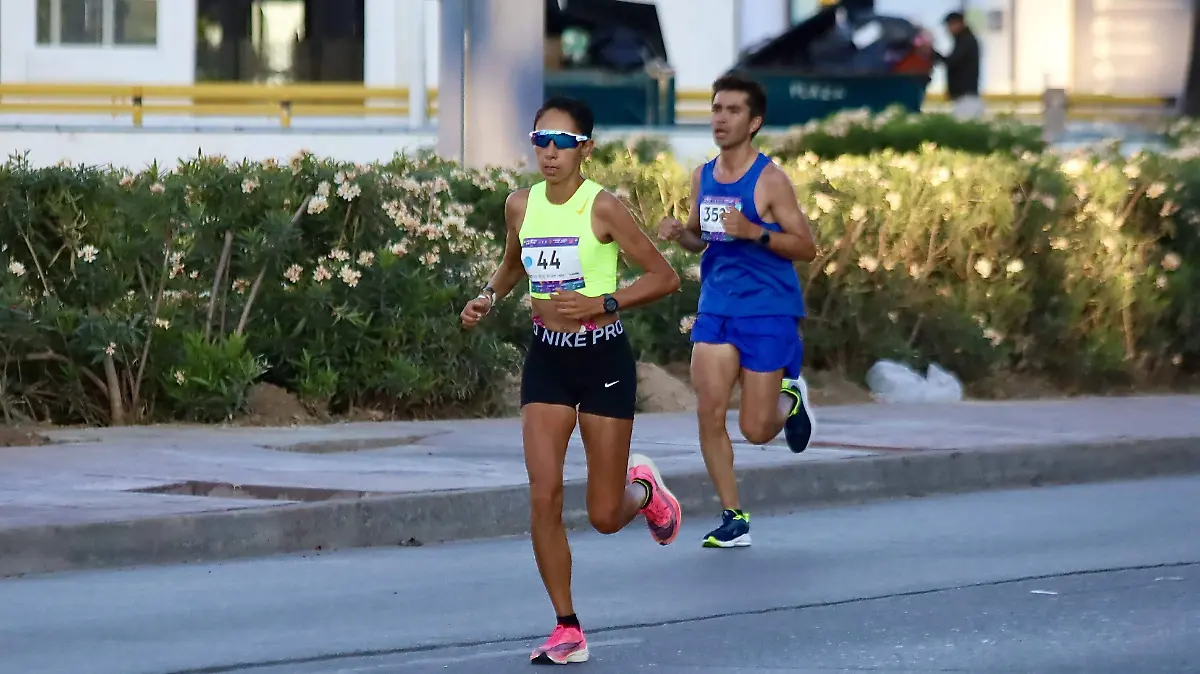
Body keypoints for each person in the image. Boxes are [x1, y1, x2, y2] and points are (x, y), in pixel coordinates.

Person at [459, 95, 683, 665]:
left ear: (585, 148)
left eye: (563, 143)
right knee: (544, 495)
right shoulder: (520, 205)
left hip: (603, 361)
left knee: (606, 516)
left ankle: (646, 491)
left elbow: (663, 276)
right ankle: (567, 627)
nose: (550, 153)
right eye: (541, 141)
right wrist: (487, 296)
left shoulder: (602, 207)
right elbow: (513, 264)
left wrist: (602, 302)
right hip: (548, 361)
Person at [658, 73, 818, 550]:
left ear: (754, 123)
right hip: (718, 306)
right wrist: (678, 234)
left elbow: (806, 246)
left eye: (732, 111)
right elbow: (700, 237)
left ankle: (791, 399)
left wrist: (755, 231)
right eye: (715, 109)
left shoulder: (770, 180)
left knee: (754, 428)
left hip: (768, 310)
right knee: (709, 412)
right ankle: (734, 516)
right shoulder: (702, 176)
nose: (720, 118)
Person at [935, 11, 982, 119]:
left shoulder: (966, 41)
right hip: (963, 97)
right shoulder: (963, 41)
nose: (948, 29)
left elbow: (952, 61)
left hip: (966, 98)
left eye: (950, 25)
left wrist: (933, 54)